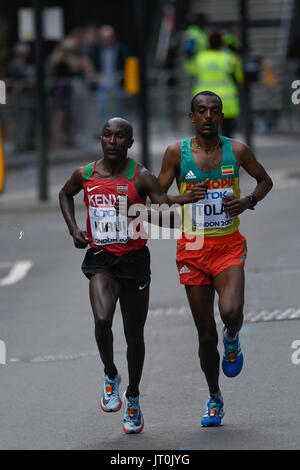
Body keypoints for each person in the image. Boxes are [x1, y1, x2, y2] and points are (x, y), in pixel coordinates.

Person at [157, 90, 273, 426]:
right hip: (192, 249)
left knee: (231, 312)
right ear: (191, 117)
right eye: (201, 111)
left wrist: (248, 200)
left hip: (228, 245)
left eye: (214, 111)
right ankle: (214, 397)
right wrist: (183, 198)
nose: (208, 116)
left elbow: (265, 180)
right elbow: (157, 196)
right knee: (205, 335)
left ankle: (233, 338)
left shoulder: (237, 150)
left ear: (221, 116)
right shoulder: (175, 154)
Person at [59, 117, 175, 434]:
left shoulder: (141, 177)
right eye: (107, 135)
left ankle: (133, 397)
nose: (112, 141)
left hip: (134, 260)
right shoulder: (85, 174)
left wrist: (136, 211)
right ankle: (110, 373)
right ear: (101, 140)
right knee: (101, 320)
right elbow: (64, 194)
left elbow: (170, 218)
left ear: (130, 143)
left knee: (134, 335)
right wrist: (74, 230)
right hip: (101, 258)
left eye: (119, 136)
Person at [185, 31, 244, 138]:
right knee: (228, 137)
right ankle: (225, 154)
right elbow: (240, 77)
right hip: (227, 102)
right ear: (222, 43)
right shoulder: (229, 57)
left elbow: (191, 69)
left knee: (205, 137)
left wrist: (189, 56)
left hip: (203, 102)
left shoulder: (200, 57)